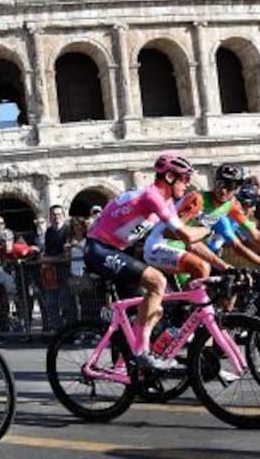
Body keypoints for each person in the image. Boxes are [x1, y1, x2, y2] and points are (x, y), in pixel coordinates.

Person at [84, 152, 209, 372]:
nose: (187, 185)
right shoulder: (153, 197)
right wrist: (211, 226)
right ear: (170, 177)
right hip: (99, 250)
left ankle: (129, 364)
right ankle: (141, 352)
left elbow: (187, 240)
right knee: (157, 281)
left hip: (118, 250)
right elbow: (187, 236)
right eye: (185, 179)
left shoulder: (167, 201)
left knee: (155, 309)